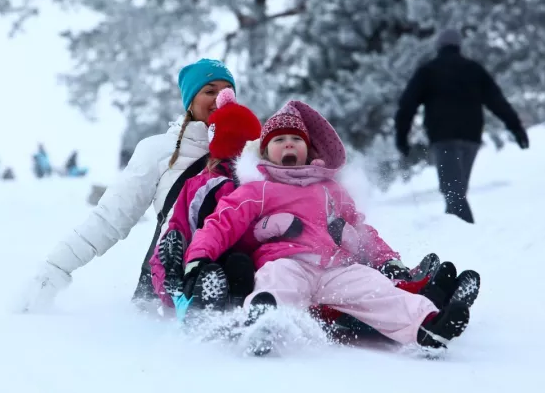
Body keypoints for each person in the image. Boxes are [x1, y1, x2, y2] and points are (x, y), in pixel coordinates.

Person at [182, 100, 477, 353]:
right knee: (276, 280)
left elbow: (363, 230)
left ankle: (426, 325)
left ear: (309, 151)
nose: (288, 144)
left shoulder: (330, 189)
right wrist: (198, 259)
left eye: (296, 140)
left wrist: (387, 260)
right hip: (288, 262)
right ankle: (262, 323)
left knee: (375, 288)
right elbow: (222, 222)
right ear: (265, 153)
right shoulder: (259, 189)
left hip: (336, 269)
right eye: (279, 140)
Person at [19, 58, 237, 313]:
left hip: (238, 277)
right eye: (209, 91)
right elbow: (110, 219)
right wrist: (55, 269)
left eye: (226, 91)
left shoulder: (250, 152)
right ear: (190, 101)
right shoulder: (158, 151)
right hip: (170, 279)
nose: (220, 99)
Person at [394, 28, 529, 224]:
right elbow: (497, 101)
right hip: (471, 138)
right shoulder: (474, 70)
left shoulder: (429, 71)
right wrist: (516, 127)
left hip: (444, 138)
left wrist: (401, 136)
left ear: (439, 46)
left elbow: (407, 105)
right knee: (456, 192)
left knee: (453, 193)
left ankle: (468, 236)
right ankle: (457, 237)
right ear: (458, 46)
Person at [149, 88, 262, 315]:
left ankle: (190, 299)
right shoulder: (262, 186)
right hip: (232, 267)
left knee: (229, 264)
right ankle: (214, 304)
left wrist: (164, 284)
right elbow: (174, 236)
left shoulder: (200, 185)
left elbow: (176, 229)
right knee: (236, 264)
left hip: (204, 262)